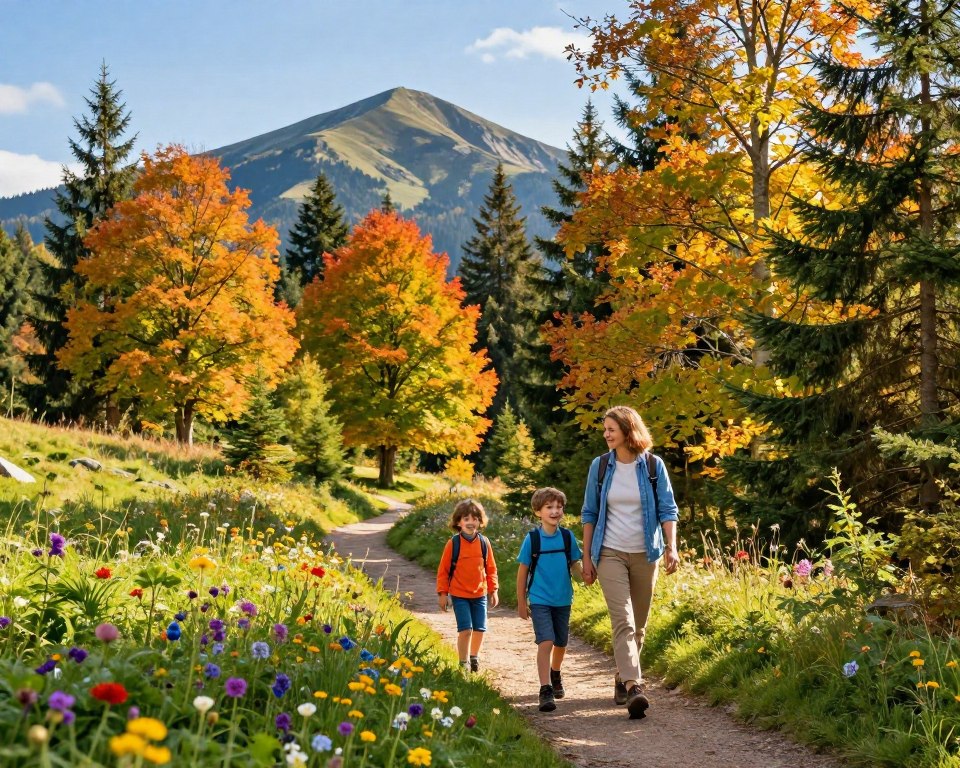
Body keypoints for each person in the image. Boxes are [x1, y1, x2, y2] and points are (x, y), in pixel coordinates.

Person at [581, 405, 680, 719]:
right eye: (605, 429)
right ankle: (635, 685)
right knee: (622, 620)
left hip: (645, 554)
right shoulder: (600, 467)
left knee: (638, 627)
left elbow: (668, 509)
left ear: (628, 430)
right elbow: (589, 514)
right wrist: (587, 556)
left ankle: (621, 678)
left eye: (611, 429)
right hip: (609, 552)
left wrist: (671, 547)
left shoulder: (653, 466)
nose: (606, 434)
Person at [516, 487, 583, 713]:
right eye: (549, 507)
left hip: (563, 598)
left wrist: (585, 574)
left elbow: (575, 563)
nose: (555, 511)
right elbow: (523, 571)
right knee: (546, 641)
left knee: (561, 643)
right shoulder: (533, 539)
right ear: (538, 512)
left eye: (558, 507)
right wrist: (521, 602)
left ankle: (556, 672)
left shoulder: (567, 537)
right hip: (539, 599)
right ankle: (545, 689)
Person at [436, 498, 499, 673]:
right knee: (466, 630)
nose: (471, 522)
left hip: (480, 594)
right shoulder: (453, 544)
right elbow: (443, 571)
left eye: (475, 518)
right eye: (466, 519)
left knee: (480, 629)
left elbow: (491, 568)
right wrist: (443, 593)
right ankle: (463, 663)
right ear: (458, 522)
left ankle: (474, 657)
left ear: (480, 521)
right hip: (459, 594)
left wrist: (493, 590)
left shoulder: (484, 543)